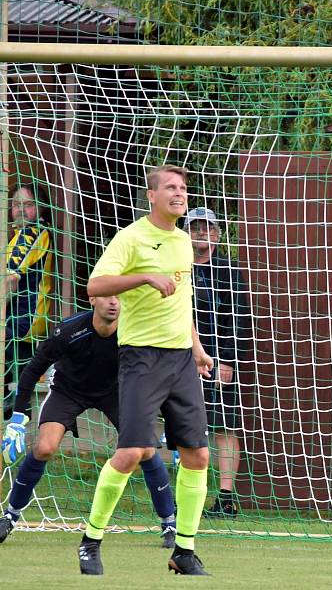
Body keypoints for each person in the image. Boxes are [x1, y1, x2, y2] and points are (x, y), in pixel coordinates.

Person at [76, 165, 214, 576]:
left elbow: (182, 302)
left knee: (197, 454)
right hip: (141, 358)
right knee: (132, 451)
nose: (179, 193)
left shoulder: (184, 243)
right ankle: (91, 539)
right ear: (151, 196)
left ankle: (184, 551)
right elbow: (94, 287)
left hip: (180, 360)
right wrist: (144, 277)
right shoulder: (131, 238)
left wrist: (198, 349)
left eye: (184, 188)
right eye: (170, 187)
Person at [0, 296, 177, 548]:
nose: (114, 302)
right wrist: (17, 418)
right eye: (108, 296)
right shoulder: (69, 330)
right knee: (44, 448)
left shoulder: (134, 332)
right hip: (67, 390)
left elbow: (155, 375)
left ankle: (169, 524)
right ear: (93, 298)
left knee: (146, 450)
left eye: (120, 297)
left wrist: (172, 418)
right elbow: (31, 369)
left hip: (115, 393)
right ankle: (10, 516)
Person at [184, 207, 250, 519]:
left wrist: (228, 359)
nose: (201, 233)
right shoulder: (177, 267)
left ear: (218, 234)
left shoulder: (228, 271)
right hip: (178, 358)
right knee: (182, 425)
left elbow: (237, 318)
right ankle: (187, 495)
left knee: (224, 425)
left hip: (216, 357)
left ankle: (225, 498)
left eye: (207, 227)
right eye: (195, 227)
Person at [4, 183, 54, 420]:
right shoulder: (17, 235)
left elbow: (10, 279)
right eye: (16, 204)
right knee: (15, 388)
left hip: (22, 321)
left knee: (15, 391)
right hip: (15, 321)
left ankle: (14, 437)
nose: (21, 210)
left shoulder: (32, 233)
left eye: (28, 205)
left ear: (41, 208)